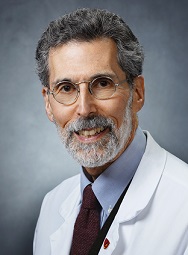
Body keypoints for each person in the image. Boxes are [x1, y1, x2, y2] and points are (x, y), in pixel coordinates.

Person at [33, 8, 188, 255]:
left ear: (137, 92)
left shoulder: (184, 205)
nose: (84, 109)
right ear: (48, 104)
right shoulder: (52, 204)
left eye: (102, 83)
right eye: (66, 88)